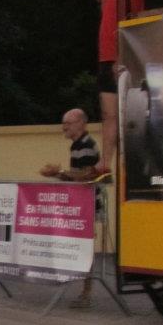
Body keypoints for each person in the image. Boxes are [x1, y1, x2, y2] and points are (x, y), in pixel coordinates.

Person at [40, 108, 102, 310]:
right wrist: (58, 175)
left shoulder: (85, 146)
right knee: (79, 246)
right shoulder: (77, 145)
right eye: (63, 123)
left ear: (81, 123)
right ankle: (83, 289)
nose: (64, 127)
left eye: (68, 123)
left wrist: (59, 172)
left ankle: (87, 293)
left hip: (88, 205)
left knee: (84, 248)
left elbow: (86, 175)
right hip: (81, 205)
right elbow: (76, 175)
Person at [94, 0, 144, 174]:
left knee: (126, 116)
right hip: (105, 59)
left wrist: (122, 56)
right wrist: (104, 0)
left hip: (119, 58)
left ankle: (130, 167)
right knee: (108, 115)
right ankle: (105, 163)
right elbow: (108, 22)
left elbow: (134, 19)